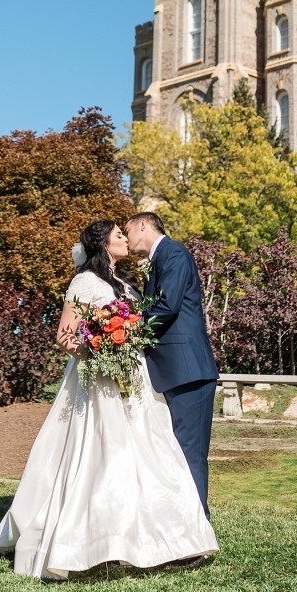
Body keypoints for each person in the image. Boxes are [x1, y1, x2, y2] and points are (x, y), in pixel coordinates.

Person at [0, 219, 217, 580]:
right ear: (103, 243)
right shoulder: (84, 282)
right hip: (99, 384)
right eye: (118, 234)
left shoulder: (125, 283)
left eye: (126, 232)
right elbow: (64, 335)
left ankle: (162, 538)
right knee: (102, 458)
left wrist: (120, 344)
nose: (125, 237)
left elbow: (142, 321)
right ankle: (91, 540)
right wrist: (96, 350)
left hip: (135, 381)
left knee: (151, 457)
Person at [124, 212, 219, 521]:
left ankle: (198, 528)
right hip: (174, 371)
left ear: (143, 224)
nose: (126, 239)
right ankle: (184, 526)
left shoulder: (174, 252)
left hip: (189, 369)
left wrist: (125, 330)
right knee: (177, 451)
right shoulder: (160, 258)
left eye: (127, 231)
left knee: (190, 453)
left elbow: (168, 306)